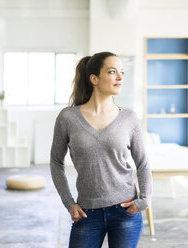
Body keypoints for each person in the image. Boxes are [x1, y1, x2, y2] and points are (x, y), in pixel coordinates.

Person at [50, 51, 152, 248]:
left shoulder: (129, 118)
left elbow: (142, 162)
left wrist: (145, 200)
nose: (120, 77)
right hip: (87, 213)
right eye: (113, 72)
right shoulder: (68, 118)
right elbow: (56, 161)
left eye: (122, 72)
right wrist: (69, 203)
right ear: (94, 79)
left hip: (125, 210)